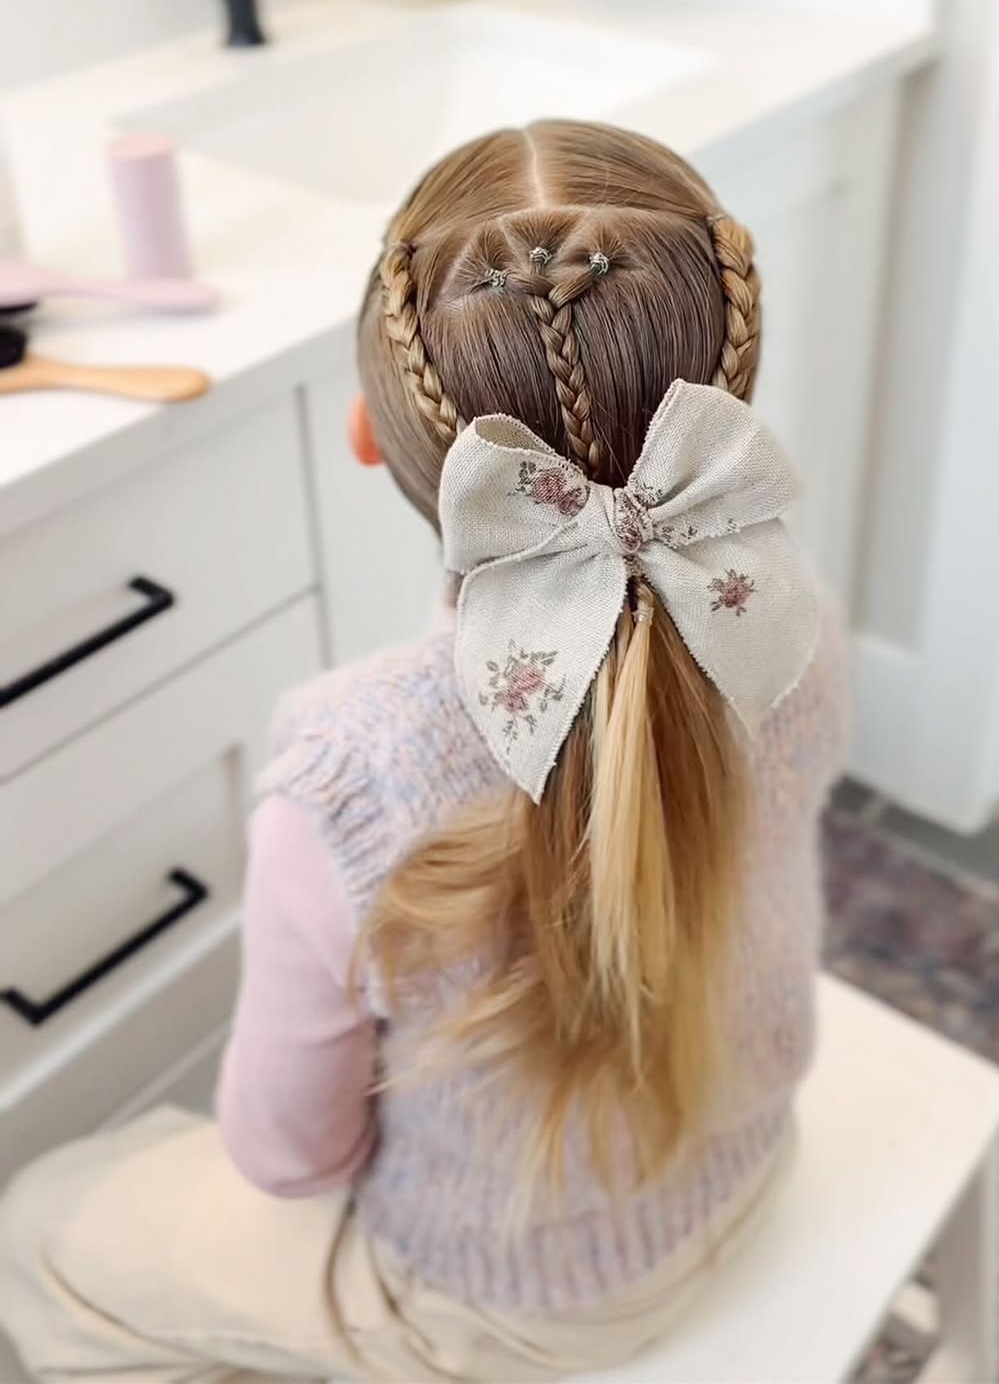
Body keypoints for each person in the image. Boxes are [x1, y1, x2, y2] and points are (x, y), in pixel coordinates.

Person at [0, 120, 849, 1383]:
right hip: (747, 1161)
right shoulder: (788, 628)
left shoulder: (349, 770)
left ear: (369, 431)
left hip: (501, 1302)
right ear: (720, 429)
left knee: (39, 1223)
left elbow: (290, 1156)